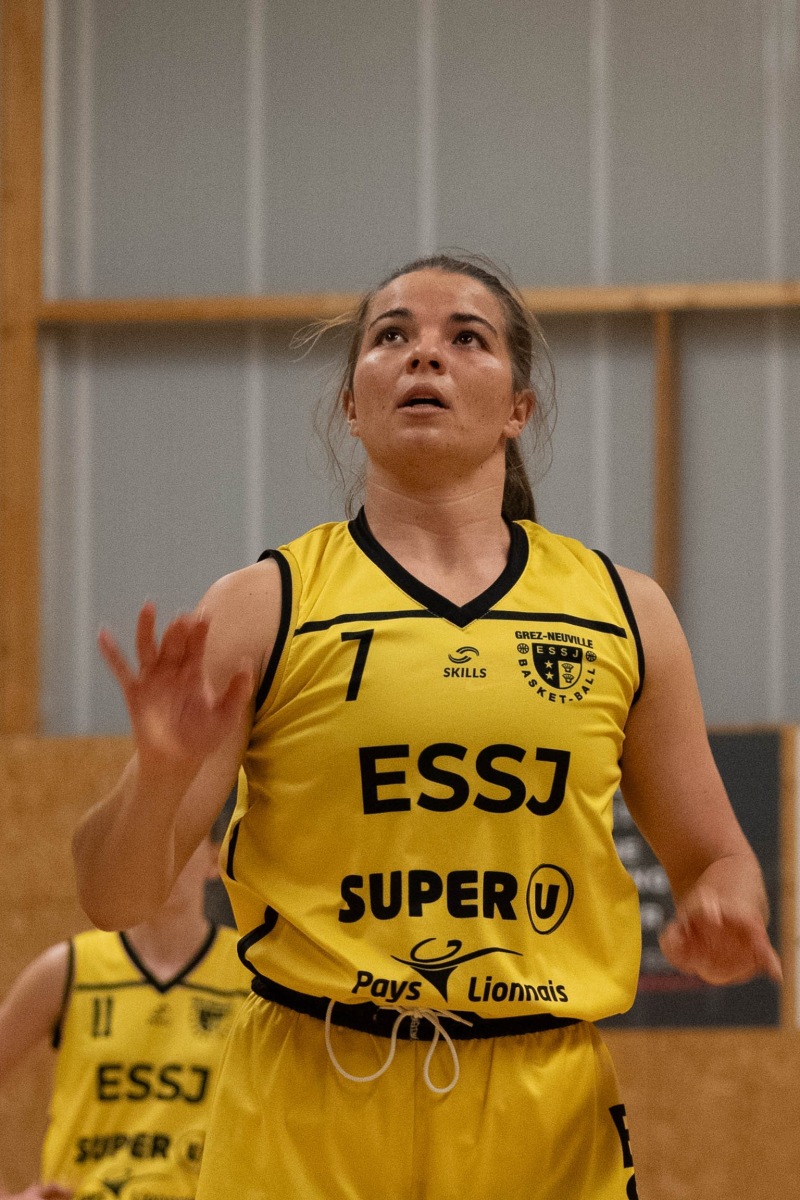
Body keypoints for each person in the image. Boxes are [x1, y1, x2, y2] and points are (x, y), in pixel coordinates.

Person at [72, 253, 782, 1200]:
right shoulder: (263, 606)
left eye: (466, 338)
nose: (425, 355)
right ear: (352, 403)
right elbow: (112, 896)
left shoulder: (624, 610)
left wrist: (731, 912)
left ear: (519, 407)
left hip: (541, 1105)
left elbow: (716, 859)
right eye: (393, 335)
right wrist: (158, 776)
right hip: (306, 1098)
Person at [0, 829, 250, 1200]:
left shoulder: (252, 975)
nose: (166, 861)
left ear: (215, 859)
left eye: (183, 842)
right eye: (151, 844)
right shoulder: (70, 968)